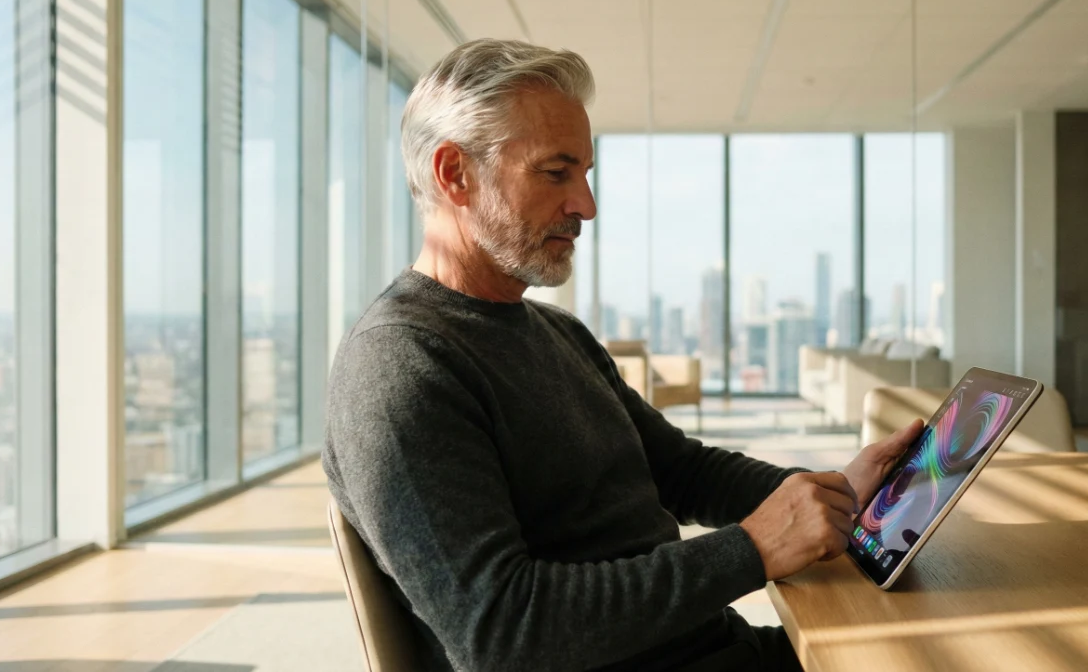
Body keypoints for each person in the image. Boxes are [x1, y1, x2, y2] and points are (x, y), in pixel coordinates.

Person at [323, 38, 924, 672]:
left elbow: (680, 471)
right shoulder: (399, 367)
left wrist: (835, 492)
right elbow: (502, 631)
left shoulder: (556, 333)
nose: (585, 205)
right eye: (556, 173)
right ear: (455, 175)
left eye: (584, 174)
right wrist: (753, 548)